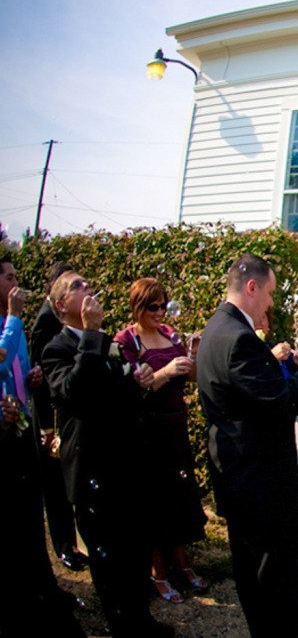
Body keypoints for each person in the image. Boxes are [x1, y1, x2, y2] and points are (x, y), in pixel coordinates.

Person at [196, 254, 298, 638]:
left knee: (255, 566)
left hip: (242, 475)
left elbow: (247, 391)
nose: (270, 302)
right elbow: (279, 400)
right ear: (251, 287)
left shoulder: (218, 328)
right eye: (268, 293)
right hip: (259, 480)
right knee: (272, 569)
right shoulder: (237, 338)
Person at [42, 270, 173, 638]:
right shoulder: (57, 349)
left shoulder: (103, 342)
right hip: (91, 468)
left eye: (88, 282)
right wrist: (93, 335)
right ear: (60, 305)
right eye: (77, 286)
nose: (88, 288)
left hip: (124, 461)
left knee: (134, 550)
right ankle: (124, 628)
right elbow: (76, 393)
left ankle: (142, 621)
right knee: (108, 559)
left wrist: (138, 383)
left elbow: (115, 395)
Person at [1, 259, 85, 638]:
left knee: (30, 507)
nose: (17, 284)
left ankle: (43, 584)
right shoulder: (20, 320)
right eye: (9, 278)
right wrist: (13, 318)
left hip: (18, 422)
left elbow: (20, 367)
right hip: (12, 427)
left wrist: (33, 379)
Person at [113, 278, 207, 604]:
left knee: (179, 497)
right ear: (137, 307)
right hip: (146, 431)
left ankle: (181, 564)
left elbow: (191, 378)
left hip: (175, 426)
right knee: (154, 502)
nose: (159, 311)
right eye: (152, 306)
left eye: (163, 304)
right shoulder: (126, 341)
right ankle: (158, 573)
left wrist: (192, 357)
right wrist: (166, 372)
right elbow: (129, 391)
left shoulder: (169, 334)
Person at [29, 260, 88, 573]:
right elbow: (41, 378)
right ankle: (64, 546)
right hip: (52, 413)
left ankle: (79, 542)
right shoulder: (46, 322)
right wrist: (48, 428)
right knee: (55, 485)